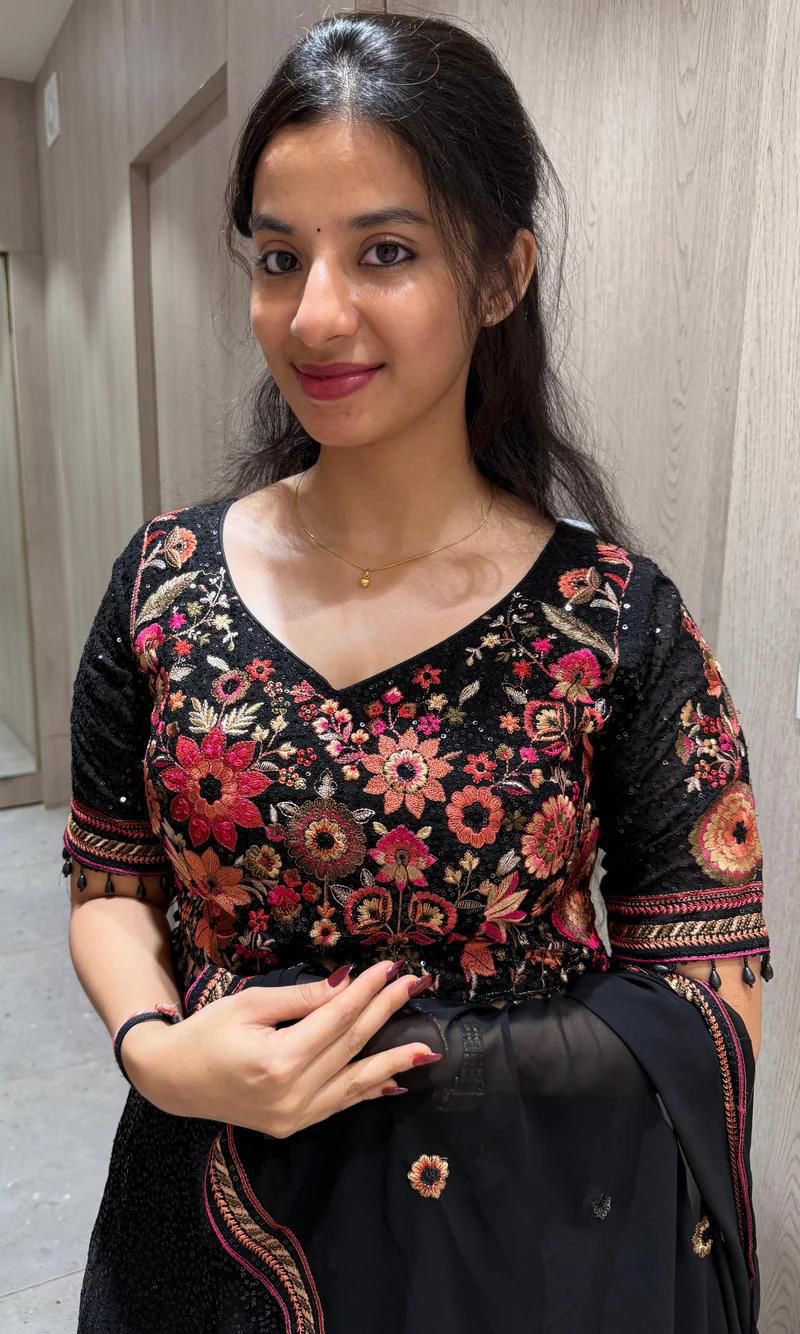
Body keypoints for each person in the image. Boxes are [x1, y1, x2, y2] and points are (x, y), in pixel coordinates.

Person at [62, 11, 771, 1333]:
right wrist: (158, 1052)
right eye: (280, 258)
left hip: (516, 1249)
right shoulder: (163, 584)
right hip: (209, 1216)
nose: (315, 314)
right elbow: (111, 885)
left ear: (502, 274)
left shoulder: (613, 620)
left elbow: (711, 990)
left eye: (384, 251)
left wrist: (434, 1061)